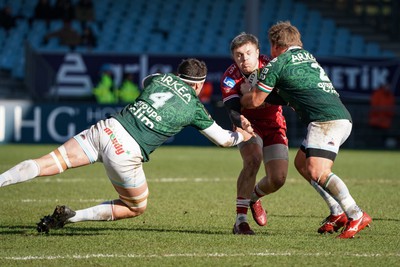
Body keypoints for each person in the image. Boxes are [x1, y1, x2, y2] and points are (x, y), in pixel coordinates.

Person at [0, 58, 254, 234]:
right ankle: (73, 216)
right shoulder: (194, 106)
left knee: (51, 161)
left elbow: (147, 81)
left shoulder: (160, 78)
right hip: (126, 150)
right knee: (136, 206)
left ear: (178, 75)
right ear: (198, 84)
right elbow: (222, 140)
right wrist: (242, 135)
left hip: (106, 128)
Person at [241, 21, 372, 239]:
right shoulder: (308, 57)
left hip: (325, 120)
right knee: (301, 163)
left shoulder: (277, 64)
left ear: (275, 45)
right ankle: (336, 211)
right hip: (339, 116)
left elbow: (254, 101)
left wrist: (245, 93)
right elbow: (290, 91)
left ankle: (355, 213)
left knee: (317, 170)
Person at [220, 33, 289, 235]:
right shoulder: (229, 77)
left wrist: (252, 93)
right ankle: (240, 221)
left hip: (274, 123)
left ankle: (253, 197)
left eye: (248, 53)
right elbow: (232, 109)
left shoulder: (271, 65)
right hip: (249, 124)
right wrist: (240, 120)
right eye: (239, 55)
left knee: (278, 179)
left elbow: (285, 96)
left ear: (258, 53)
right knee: (253, 159)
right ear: (234, 57)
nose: (244, 59)